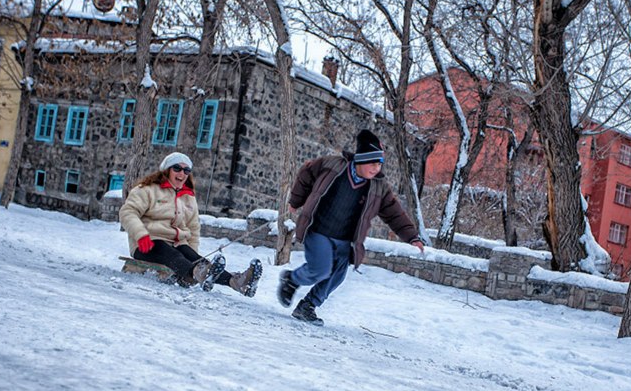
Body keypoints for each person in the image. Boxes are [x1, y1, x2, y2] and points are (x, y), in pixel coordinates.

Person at [277, 129, 425, 326]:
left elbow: (393, 212)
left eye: (379, 164)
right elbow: (306, 173)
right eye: (373, 163)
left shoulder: (378, 186)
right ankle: (292, 279)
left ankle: (308, 306)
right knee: (320, 269)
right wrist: (296, 200)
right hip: (319, 230)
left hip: (346, 241)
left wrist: (411, 236)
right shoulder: (332, 166)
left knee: (337, 276)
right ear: (361, 160)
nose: (376, 168)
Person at [119, 151, 262, 296]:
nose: (182, 173)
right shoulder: (147, 190)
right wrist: (140, 234)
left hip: (177, 243)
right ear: (167, 170)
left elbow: (193, 228)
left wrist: (192, 256)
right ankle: (195, 273)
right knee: (174, 255)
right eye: (177, 168)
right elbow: (128, 213)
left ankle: (236, 282)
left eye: (186, 170)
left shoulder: (187, 197)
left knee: (201, 262)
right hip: (148, 243)